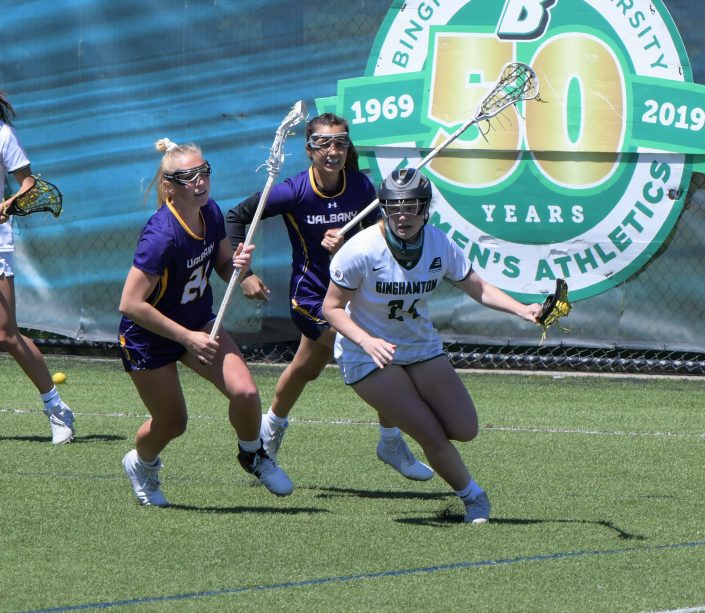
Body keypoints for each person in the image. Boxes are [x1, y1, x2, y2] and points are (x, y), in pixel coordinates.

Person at [322, 168, 543, 523]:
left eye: (411, 206)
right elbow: (331, 308)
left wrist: (522, 309)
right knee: (430, 432)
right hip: (367, 353)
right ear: (383, 208)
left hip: (419, 345)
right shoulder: (361, 249)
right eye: (394, 207)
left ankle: (389, 439)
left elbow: (478, 287)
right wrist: (367, 340)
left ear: (426, 208)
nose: (402, 216)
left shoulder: (439, 243)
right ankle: (474, 498)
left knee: (465, 428)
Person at [226, 113, 433, 481]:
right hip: (312, 299)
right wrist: (244, 273)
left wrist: (347, 246)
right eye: (323, 144)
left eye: (340, 142)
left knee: (305, 368)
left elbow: (377, 236)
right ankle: (390, 441)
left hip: (354, 296)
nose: (333, 151)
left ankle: (269, 430)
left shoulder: (361, 187)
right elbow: (237, 216)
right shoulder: (293, 191)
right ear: (309, 150)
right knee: (380, 355)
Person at [118, 138, 292, 507]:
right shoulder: (161, 236)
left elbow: (224, 262)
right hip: (149, 336)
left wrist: (242, 275)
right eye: (189, 177)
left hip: (197, 322)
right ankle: (141, 464)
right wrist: (186, 337)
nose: (200, 182)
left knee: (245, 393)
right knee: (173, 422)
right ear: (169, 186)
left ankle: (253, 454)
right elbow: (130, 304)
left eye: (204, 172)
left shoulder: (210, 211)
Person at [0, 91, 75, 445]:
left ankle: (56, 408)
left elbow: (28, 184)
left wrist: (9, 204)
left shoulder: (3, 135)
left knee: (4, 334)